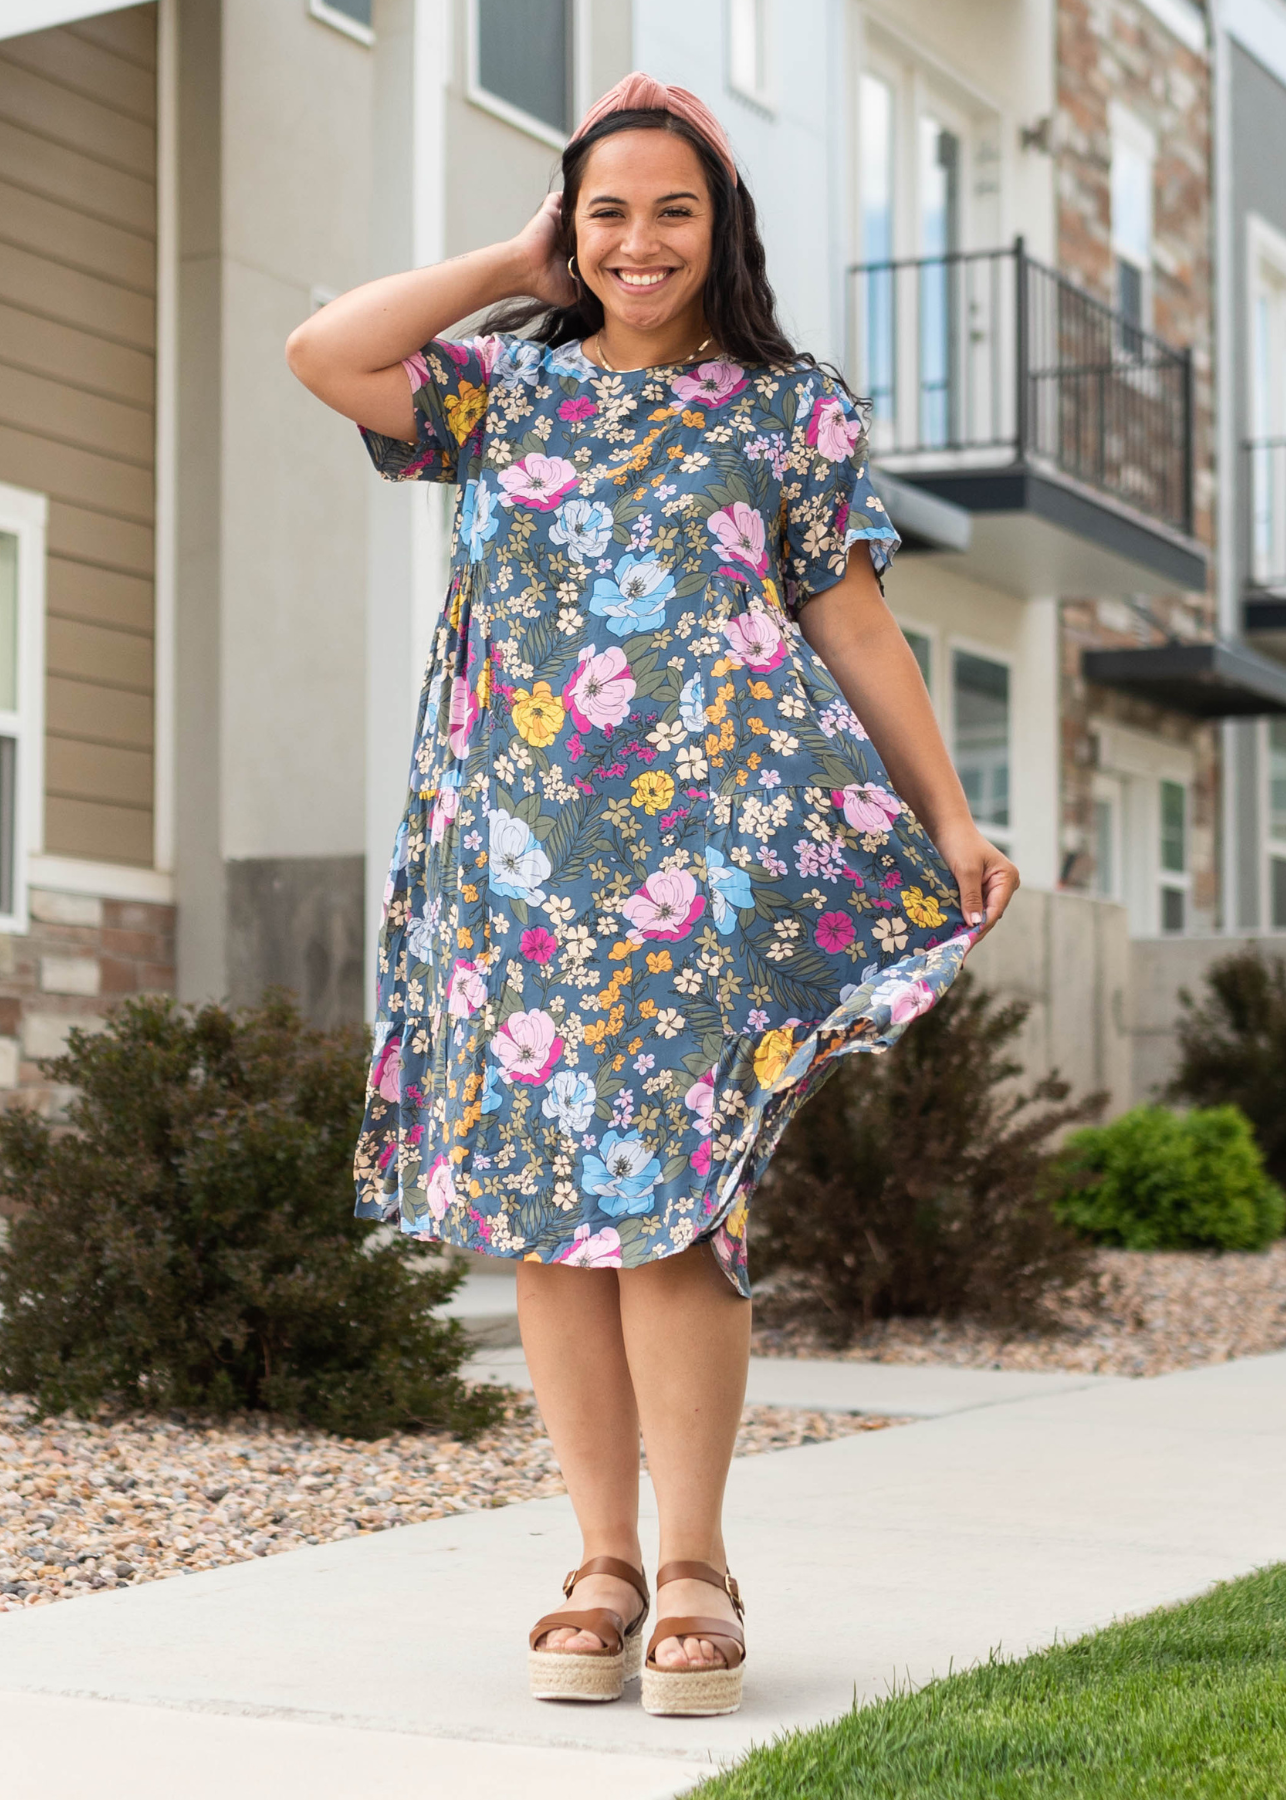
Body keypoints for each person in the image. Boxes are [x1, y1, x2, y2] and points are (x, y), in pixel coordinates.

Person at [286, 70, 1018, 1719]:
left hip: (713, 861)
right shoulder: (496, 393)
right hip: (522, 863)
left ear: (721, 226)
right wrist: (507, 262)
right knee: (555, 1223)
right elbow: (322, 351)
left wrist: (949, 813)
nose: (639, 241)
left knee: (678, 1211)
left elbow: (854, 629)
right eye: (606, 211)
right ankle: (599, 1564)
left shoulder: (787, 408)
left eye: (671, 210)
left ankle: (693, 1563)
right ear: (572, 225)